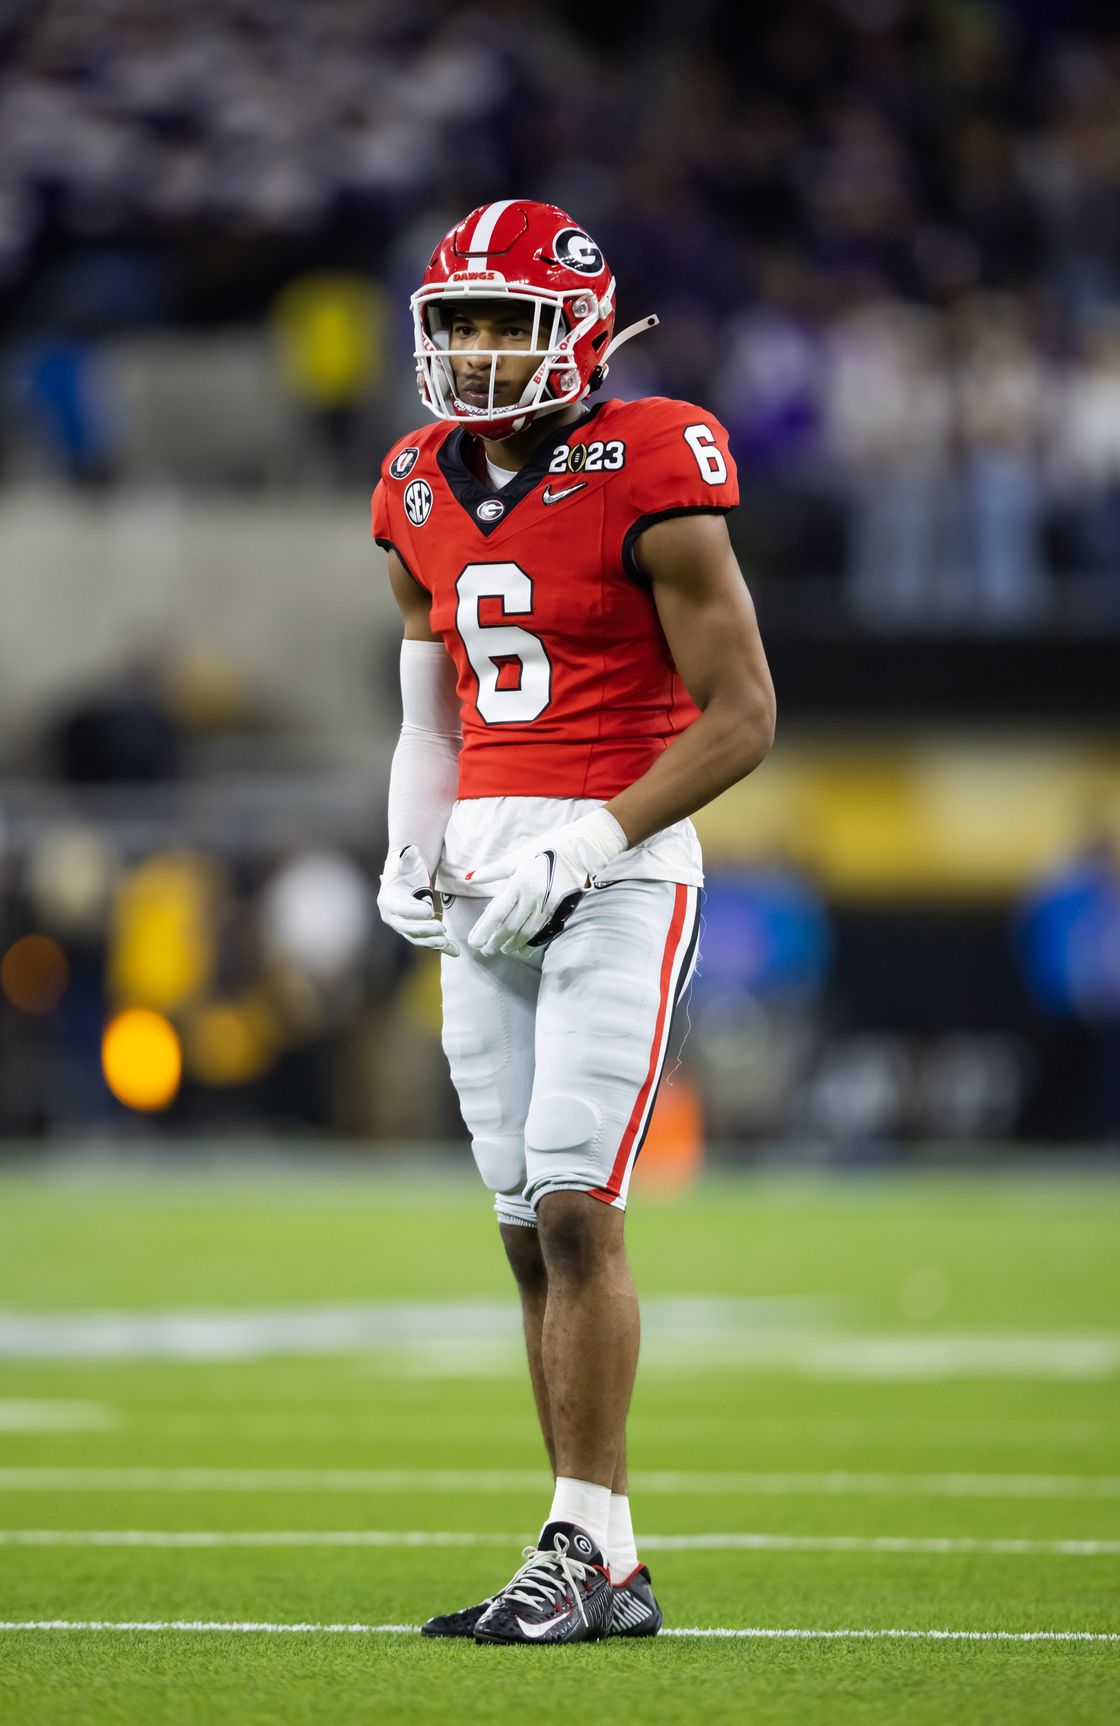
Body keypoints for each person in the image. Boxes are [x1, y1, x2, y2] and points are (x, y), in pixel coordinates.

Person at [372, 199, 775, 1645]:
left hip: (620, 855)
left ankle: (586, 1540)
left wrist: (596, 837)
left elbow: (745, 715)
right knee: (518, 1228)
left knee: (573, 1195)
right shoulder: (416, 478)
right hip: (484, 865)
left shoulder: (653, 455)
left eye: (509, 321)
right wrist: (411, 841)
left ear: (584, 333)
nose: (480, 352)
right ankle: (596, 1551)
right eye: (461, 321)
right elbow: (428, 713)